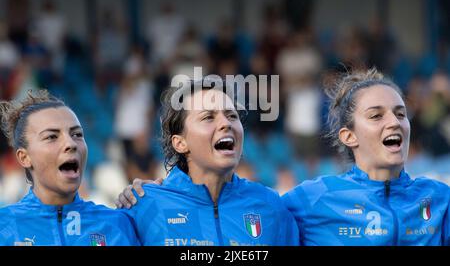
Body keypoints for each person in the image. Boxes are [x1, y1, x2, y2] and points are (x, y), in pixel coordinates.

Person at [118, 78, 299, 246]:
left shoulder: (271, 205)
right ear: (180, 143)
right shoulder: (142, 206)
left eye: (232, 116)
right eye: (208, 117)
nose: (226, 123)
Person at [282, 68, 449, 245]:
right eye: (376, 116)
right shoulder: (311, 198)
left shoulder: (440, 198)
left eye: (401, 114)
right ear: (349, 136)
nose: (394, 122)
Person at [0, 90, 140, 246]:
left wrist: (151, 200)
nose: (71, 144)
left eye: (77, 134)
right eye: (52, 137)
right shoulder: (4, 227)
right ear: (24, 157)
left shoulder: (118, 224)